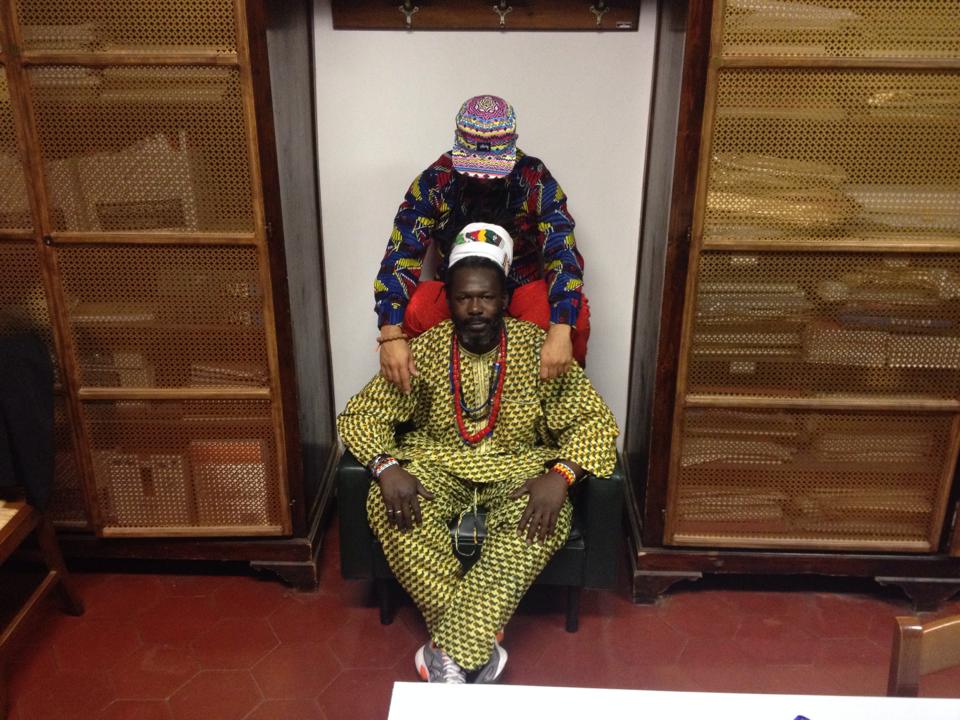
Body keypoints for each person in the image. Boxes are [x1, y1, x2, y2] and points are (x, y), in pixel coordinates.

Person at [339, 223, 618, 684]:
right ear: (448, 299)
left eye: (486, 297)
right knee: (388, 506)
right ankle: (476, 649)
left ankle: (445, 657)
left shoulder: (537, 348)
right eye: (464, 297)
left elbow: (594, 422)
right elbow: (361, 415)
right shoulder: (425, 348)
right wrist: (386, 467)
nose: (474, 308)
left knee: (547, 517)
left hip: (517, 469)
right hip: (438, 464)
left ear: (503, 298)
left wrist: (562, 476)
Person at [375, 94, 591, 395]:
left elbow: (562, 249)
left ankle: (561, 407)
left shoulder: (533, 178)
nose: (484, 179)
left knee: (573, 317)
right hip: (457, 293)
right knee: (415, 311)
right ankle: (416, 408)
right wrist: (390, 332)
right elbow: (401, 253)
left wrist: (561, 326)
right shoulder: (435, 182)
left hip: (518, 290)